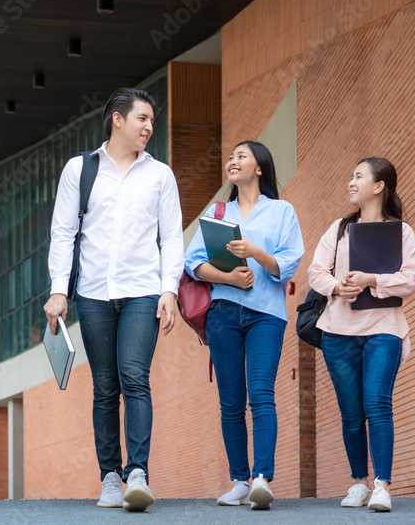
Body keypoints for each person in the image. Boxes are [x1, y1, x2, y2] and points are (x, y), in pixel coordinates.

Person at [44, 87, 183, 513]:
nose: (149, 128)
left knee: (134, 377)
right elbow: (64, 232)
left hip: (142, 290)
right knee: (105, 387)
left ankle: (137, 473)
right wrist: (57, 289)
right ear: (118, 120)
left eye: (153, 122)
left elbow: (172, 235)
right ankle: (109, 477)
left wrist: (170, 289)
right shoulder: (79, 169)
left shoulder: (160, 175)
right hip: (93, 295)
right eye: (143, 119)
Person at [184, 141, 304, 510]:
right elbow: (192, 264)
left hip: (266, 315)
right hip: (223, 313)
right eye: (231, 156)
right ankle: (239, 480)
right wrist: (230, 278)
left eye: (241, 156)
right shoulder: (219, 212)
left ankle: (261, 478)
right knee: (231, 401)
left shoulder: (282, 211)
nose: (232, 161)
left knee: (261, 394)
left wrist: (255, 253)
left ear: (259, 169)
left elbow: (288, 264)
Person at [306, 157, 415, 513]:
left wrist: (374, 281)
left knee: (377, 402)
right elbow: (315, 272)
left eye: (359, 176)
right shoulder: (339, 228)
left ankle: (382, 485)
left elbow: (411, 278)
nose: (351, 182)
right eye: (351, 175)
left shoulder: (400, 231)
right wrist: (337, 287)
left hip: (384, 328)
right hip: (338, 332)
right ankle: (359, 482)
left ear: (379, 185)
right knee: (351, 412)